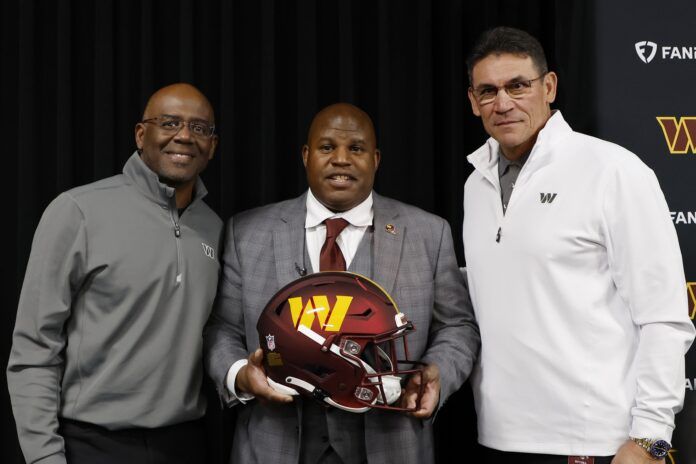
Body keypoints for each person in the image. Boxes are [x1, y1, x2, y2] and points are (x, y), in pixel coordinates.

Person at [462, 26, 695, 464]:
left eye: (518, 85)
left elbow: (664, 318)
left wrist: (652, 439)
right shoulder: (476, 184)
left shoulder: (613, 171)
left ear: (548, 87)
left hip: (597, 444)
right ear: (473, 102)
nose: (504, 103)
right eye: (488, 91)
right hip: (497, 437)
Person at [204, 102, 479, 464]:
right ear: (306, 155)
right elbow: (222, 328)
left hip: (391, 445)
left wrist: (435, 374)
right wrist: (239, 375)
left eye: (357, 149)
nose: (341, 159)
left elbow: (457, 326)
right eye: (327, 147)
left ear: (376, 159)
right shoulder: (247, 232)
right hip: (275, 444)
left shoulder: (429, 233)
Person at [7, 83, 222, 464]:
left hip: (186, 444)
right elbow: (35, 348)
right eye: (170, 122)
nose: (185, 136)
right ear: (141, 135)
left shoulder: (215, 228)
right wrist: (44, 458)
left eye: (200, 128)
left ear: (212, 145)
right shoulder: (78, 211)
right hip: (93, 445)